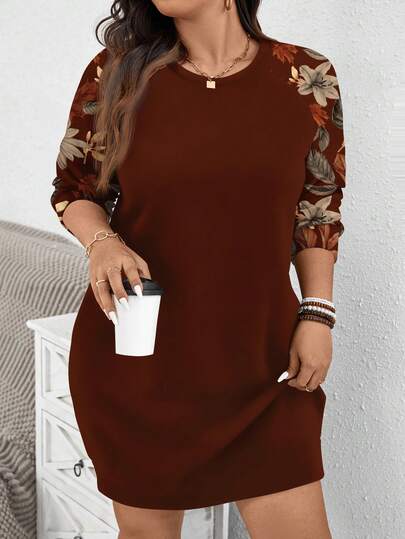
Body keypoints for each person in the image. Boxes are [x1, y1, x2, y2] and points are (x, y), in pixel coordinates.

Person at [50, 0, 346, 537]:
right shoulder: (116, 73)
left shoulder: (306, 78)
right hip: (142, 365)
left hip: (261, 365)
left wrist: (317, 312)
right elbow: (74, 188)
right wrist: (103, 243)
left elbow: (318, 211)